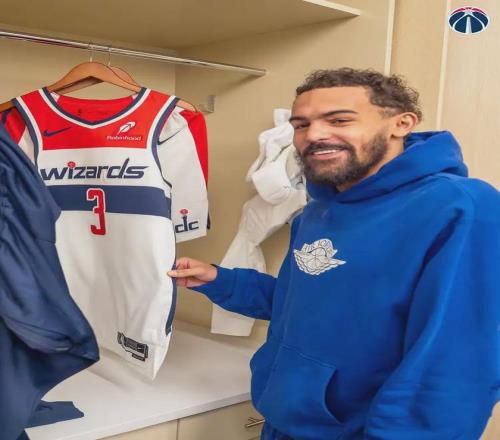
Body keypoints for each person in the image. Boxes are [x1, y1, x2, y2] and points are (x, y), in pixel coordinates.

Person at [167, 68, 500, 440]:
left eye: (339, 120)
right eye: (301, 125)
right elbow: (303, 302)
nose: (314, 135)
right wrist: (221, 280)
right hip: (284, 423)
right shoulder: (317, 211)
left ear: (401, 123)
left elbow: (455, 364)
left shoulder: (460, 208)